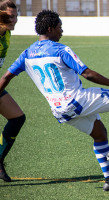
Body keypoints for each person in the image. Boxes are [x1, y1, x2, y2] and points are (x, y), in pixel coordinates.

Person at [0, 9, 109, 191]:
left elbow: (6, 77)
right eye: (59, 27)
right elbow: (88, 74)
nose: (61, 31)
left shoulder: (27, 53)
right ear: (50, 29)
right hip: (77, 100)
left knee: (99, 134)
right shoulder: (61, 50)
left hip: (59, 110)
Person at [0, 0, 26, 182]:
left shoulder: (6, 33)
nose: (13, 20)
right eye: (9, 17)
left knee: (17, 118)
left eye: (15, 16)